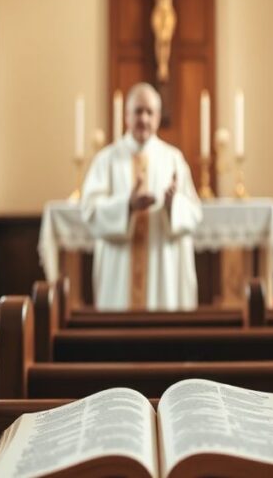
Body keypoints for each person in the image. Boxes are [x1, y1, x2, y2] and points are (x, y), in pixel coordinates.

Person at [81, 83, 202, 310]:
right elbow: (90, 211)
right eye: (138, 111)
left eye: (150, 112)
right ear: (126, 115)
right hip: (119, 274)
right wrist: (126, 206)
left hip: (163, 272)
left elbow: (194, 213)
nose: (144, 119)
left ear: (158, 117)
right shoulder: (106, 159)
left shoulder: (173, 159)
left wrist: (172, 206)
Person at [118, 0, 206, 82]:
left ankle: (164, 66)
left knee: (166, 40)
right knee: (159, 39)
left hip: (168, 12)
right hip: (158, 12)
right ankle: (161, 66)